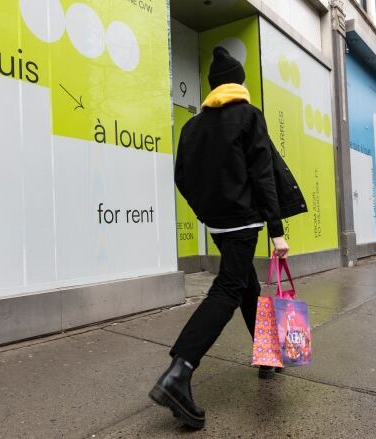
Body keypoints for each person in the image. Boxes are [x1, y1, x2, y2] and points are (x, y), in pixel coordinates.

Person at [148, 47, 306, 430]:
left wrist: (207, 211)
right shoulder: (248, 116)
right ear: (239, 84)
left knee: (246, 285)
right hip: (244, 221)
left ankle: (267, 356)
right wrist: (277, 229)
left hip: (218, 224)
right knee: (228, 288)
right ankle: (178, 372)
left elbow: (182, 178)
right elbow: (263, 174)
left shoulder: (192, 126)